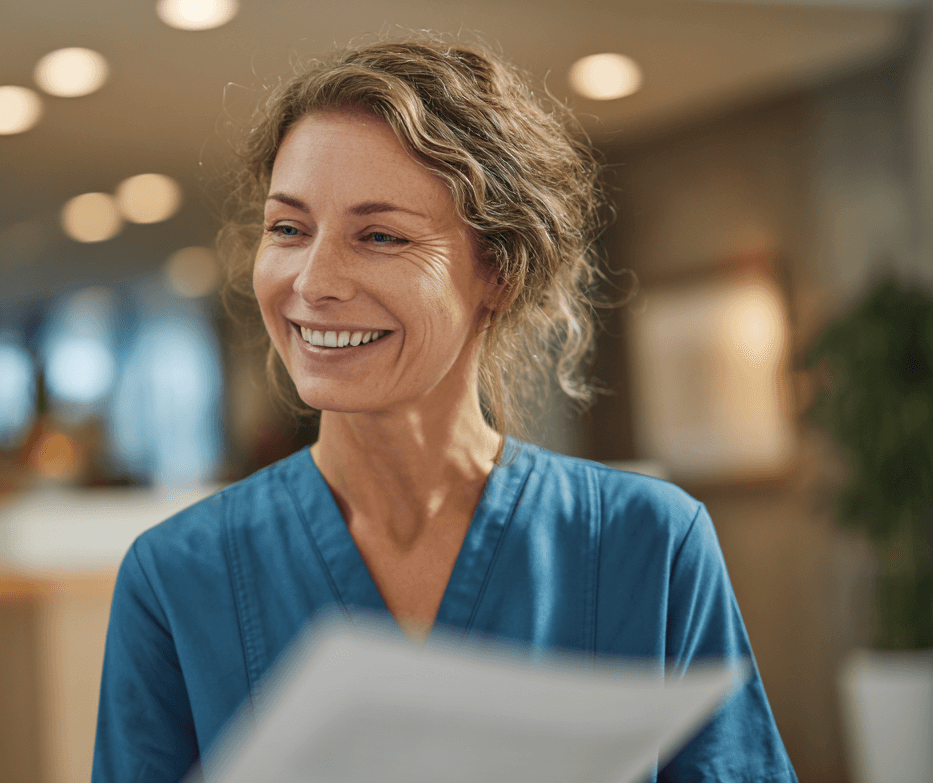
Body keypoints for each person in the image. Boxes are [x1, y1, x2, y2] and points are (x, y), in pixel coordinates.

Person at [93, 38, 796, 783]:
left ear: (498, 269)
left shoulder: (647, 547)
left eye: (381, 236)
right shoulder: (177, 577)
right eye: (289, 228)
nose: (313, 280)